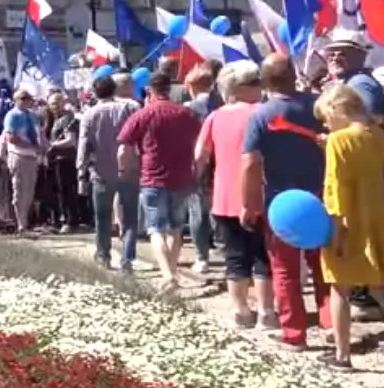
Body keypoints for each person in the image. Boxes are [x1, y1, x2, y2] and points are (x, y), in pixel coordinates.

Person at [312, 85, 384, 377]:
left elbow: (335, 187)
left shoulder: (337, 140)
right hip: (378, 217)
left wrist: (336, 228)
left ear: (334, 110)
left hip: (350, 221)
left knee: (339, 286)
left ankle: (343, 355)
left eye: (325, 118)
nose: (326, 126)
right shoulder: (378, 134)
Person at [241, 53, 331, 348]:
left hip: (281, 203)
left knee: (285, 270)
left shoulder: (260, 115)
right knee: (325, 267)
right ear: (294, 75)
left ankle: (294, 333)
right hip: (321, 197)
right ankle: (332, 324)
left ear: (264, 81)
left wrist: (248, 203)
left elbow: (250, 164)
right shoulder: (318, 106)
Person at [196, 62, 275, 329]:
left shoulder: (215, 117)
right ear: (240, 87)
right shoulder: (264, 113)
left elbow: (200, 156)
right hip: (262, 194)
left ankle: (241, 311)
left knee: (235, 257)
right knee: (264, 257)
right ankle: (267, 312)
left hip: (225, 195)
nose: (260, 86)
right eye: (255, 82)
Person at [118, 72, 202, 290]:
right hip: (181, 177)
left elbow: (123, 149)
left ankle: (167, 276)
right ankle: (171, 271)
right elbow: (201, 144)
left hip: (152, 177)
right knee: (175, 229)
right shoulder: (187, 114)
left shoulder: (143, 114)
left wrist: (125, 169)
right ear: (170, 89)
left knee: (155, 229)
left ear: (149, 91)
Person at [77, 74, 141, 271]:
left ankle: (104, 255)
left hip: (101, 172)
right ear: (114, 89)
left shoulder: (90, 114)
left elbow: (84, 144)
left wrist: (81, 172)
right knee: (130, 216)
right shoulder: (131, 108)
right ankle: (127, 259)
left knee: (103, 217)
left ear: (95, 93)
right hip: (129, 169)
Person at [183, 67, 217, 273]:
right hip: (221, 162)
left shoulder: (187, 109)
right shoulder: (221, 105)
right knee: (219, 211)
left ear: (190, 86)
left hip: (197, 162)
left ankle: (201, 257)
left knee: (197, 212)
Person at [2, 89, 45, 233]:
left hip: (32, 157)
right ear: (16, 100)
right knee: (19, 190)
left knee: (29, 191)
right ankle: (20, 224)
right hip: (19, 155)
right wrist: (31, 146)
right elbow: (11, 137)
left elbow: (39, 133)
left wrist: (42, 146)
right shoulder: (12, 116)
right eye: (23, 98)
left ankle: (25, 221)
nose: (27, 101)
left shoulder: (33, 116)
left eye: (28, 98)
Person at [41, 90, 81, 232]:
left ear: (63, 103)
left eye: (57, 103)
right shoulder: (56, 119)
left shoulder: (67, 119)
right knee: (60, 191)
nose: (54, 106)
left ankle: (70, 222)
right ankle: (64, 220)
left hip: (65, 160)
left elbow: (71, 141)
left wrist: (52, 145)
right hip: (56, 160)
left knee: (67, 191)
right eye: (52, 104)